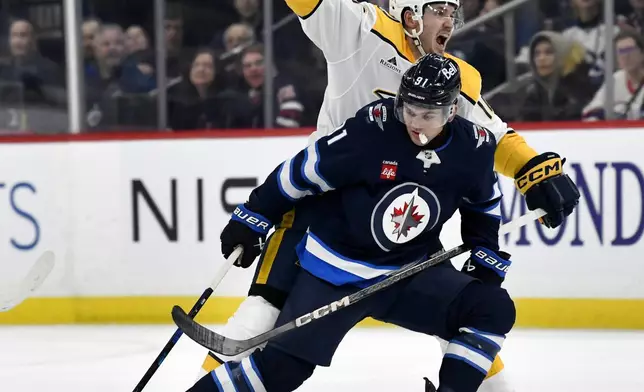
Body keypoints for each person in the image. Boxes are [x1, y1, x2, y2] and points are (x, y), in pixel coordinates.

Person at [197, 1, 581, 390]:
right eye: (440, 11)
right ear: (411, 14)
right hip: (324, 213)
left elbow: (488, 137)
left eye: (453, 13)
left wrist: (534, 170)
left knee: (472, 323)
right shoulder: (360, 30)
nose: (450, 22)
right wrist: (257, 211)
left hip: (399, 227)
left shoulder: (453, 77)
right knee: (261, 319)